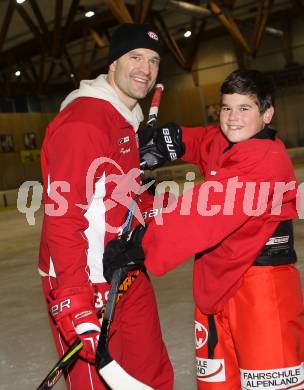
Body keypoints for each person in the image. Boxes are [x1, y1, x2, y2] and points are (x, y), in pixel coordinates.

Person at [105, 69, 304, 389]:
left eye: (245, 108)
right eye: (226, 108)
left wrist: (142, 242)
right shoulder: (229, 140)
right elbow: (205, 142)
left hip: (261, 292)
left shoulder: (265, 160)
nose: (232, 118)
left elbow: (203, 212)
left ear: (267, 113)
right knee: (216, 384)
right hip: (214, 288)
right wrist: (171, 140)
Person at [38, 23, 174, 390]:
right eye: (135, 57)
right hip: (85, 275)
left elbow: (119, 197)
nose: (145, 68)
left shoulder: (125, 120)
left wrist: (154, 203)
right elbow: (63, 216)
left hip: (125, 266)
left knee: (151, 374)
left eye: (153, 60)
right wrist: (74, 296)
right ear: (113, 63)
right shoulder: (84, 122)